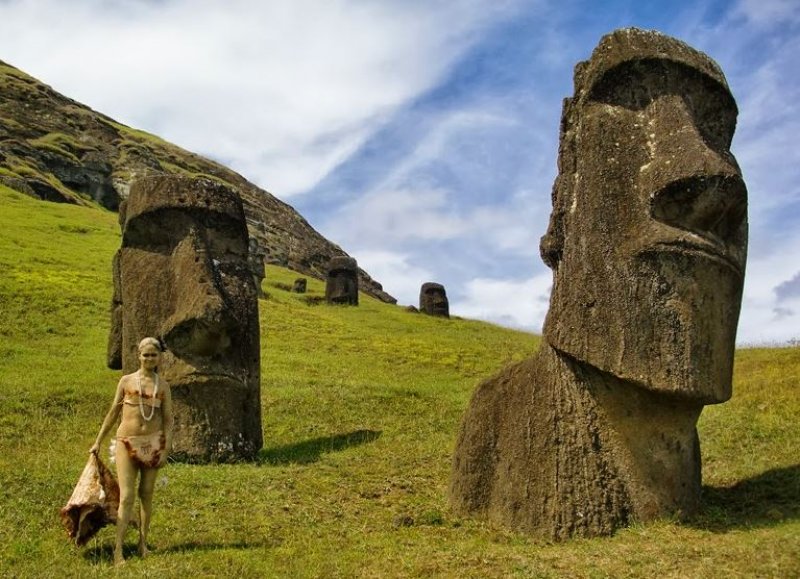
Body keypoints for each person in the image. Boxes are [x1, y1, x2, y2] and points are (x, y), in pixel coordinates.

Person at [91, 336, 174, 565]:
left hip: (153, 444)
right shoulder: (126, 381)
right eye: (145, 355)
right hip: (126, 441)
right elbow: (113, 412)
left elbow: (168, 420)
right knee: (127, 496)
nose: (149, 359)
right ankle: (118, 549)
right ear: (139, 356)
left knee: (146, 493)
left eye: (153, 355)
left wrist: (165, 448)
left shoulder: (163, 386)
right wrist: (98, 441)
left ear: (159, 357)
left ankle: (142, 543)